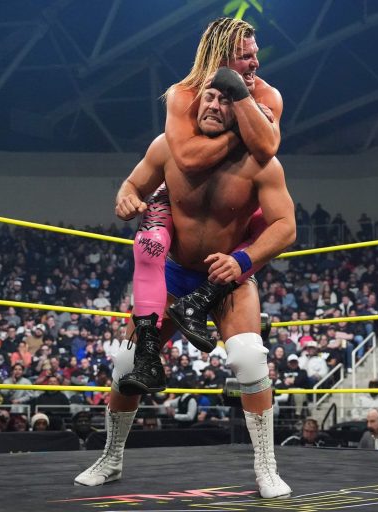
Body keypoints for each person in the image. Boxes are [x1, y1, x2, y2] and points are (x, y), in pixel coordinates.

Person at [76, 85, 295, 499]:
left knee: (249, 357)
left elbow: (286, 227)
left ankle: (267, 466)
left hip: (227, 275)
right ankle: (111, 458)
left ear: (238, 111)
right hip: (174, 275)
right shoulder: (168, 147)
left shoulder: (259, 162)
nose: (214, 105)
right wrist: (125, 199)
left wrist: (242, 261)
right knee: (126, 363)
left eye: (225, 100)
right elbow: (131, 185)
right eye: (209, 97)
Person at [126, 16, 283, 358]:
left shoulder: (266, 94)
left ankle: (235, 312)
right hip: (180, 236)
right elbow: (187, 158)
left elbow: (267, 147)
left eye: (255, 54)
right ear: (221, 58)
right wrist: (241, 129)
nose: (255, 62)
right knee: (127, 362)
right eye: (245, 56)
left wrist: (240, 96)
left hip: (232, 232)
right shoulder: (184, 95)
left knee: (250, 360)